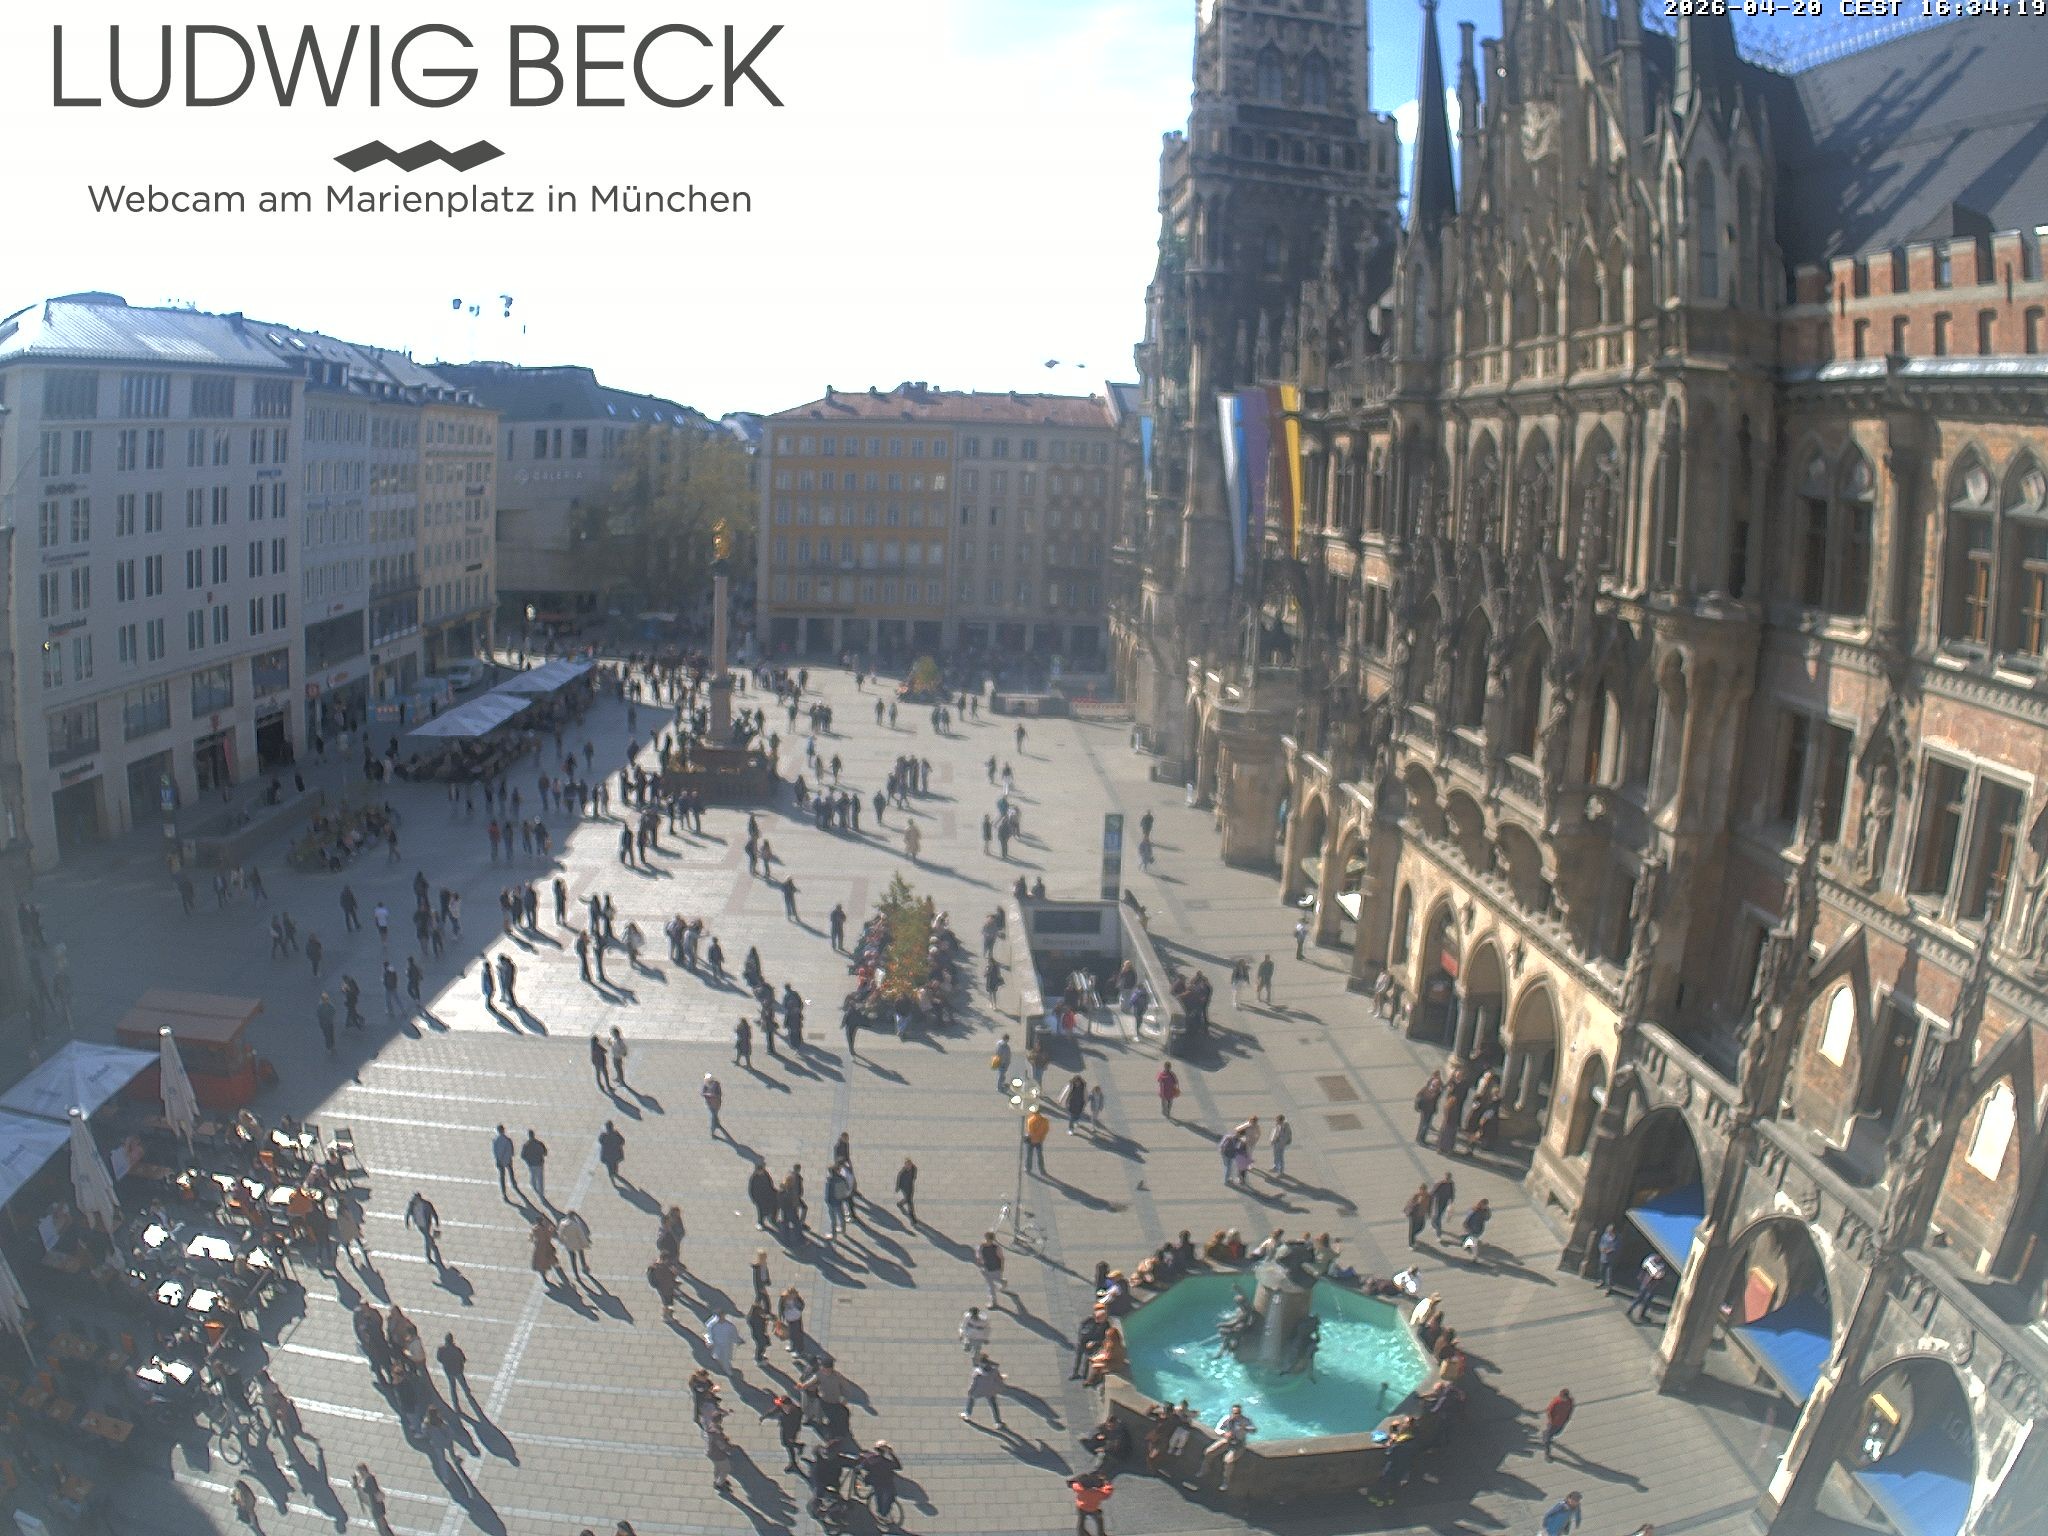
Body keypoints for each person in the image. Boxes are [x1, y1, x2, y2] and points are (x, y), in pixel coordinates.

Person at [1201, 1404, 1255, 1489]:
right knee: (1209, 1452)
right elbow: (1218, 1428)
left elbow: (1253, 1430)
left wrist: (1245, 1428)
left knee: (1228, 1461)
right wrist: (1224, 1433)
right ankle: (1204, 1469)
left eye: (1238, 1413)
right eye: (1234, 1413)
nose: (1236, 1415)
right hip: (1228, 1440)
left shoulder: (1245, 1420)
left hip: (1238, 1443)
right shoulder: (1227, 1418)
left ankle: (1226, 1481)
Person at [962, 1353, 1005, 1424]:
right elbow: (998, 1379)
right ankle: (998, 1422)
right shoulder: (994, 1371)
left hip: (979, 1391)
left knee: (971, 1399)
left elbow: (974, 1384)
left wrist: (970, 1391)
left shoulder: (977, 1372)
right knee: (993, 1405)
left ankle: (967, 1414)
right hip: (990, 1390)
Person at [1069, 1471, 1114, 1536]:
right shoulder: (1099, 1493)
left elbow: (1072, 1484)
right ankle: (1101, 1534)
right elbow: (1108, 1492)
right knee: (1099, 1521)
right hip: (1093, 1509)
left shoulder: (1080, 1488)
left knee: (1081, 1522)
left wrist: (1076, 1479)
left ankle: (1082, 1533)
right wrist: (1107, 1483)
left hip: (1081, 1507)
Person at [1627, 1254, 1667, 1322]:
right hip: (1651, 1285)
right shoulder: (1660, 1266)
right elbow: (1658, 1275)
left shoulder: (1650, 1261)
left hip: (1646, 1283)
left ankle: (1631, 1311)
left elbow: (1645, 1268)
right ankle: (1638, 1314)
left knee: (1640, 1298)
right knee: (1645, 1300)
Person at [1540, 1388, 1575, 1461]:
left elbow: (1571, 1409)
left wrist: (1567, 1418)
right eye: (1561, 1397)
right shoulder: (1556, 1402)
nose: (1562, 1398)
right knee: (1548, 1439)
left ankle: (1545, 1435)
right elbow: (1549, 1411)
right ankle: (1547, 1454)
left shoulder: (1570, 1401)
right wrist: (1551, 1421)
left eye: (1564, 1397)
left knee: (1557, 1433)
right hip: (1553, 1424)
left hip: (1562, 1422)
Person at [976, 1230, 1006, 1308]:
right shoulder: (981, 1246)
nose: (986, 1240)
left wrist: (1002, 1267)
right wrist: (980, 1265)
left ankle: (1002, 1283)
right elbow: (978, 1257)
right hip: (987, 1268)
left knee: (994, 1282)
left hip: (995, 1268)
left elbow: (1002, 1258)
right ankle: (994, 1302)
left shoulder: (996, 1247)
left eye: (988, 1239)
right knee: (991, 1285)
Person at [492, 1124, 517, 1199]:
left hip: (499, 1161)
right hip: (507, 1160)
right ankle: (513, 1183)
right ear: (503, 1130)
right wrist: (509, 1156)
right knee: (510, 1171)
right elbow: (511, 1151)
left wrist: (497, 1159)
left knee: (502, 1176)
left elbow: (494, 1152)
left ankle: (504, 1192)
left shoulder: (495, 1141)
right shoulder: (508, 1140)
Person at [894, 1157, 919, 1223]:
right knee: (910, 1202)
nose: (908, 1166)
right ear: (905, 1165)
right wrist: (897, 1187)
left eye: (909, 1164)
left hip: (910, 1187)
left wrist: (912, 1179)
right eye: (907, 1164)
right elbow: (898, 1178)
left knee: (908, 1199)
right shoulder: (902, 1172)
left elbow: (914, 1177)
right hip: (904, 1187)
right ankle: (912, 1217)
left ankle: (900, 1203)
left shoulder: (914, 1168)